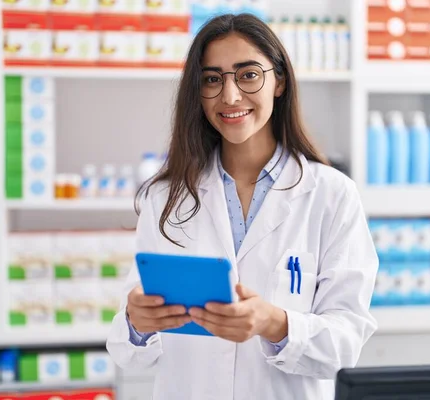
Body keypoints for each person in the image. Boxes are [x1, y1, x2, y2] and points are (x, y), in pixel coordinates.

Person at [106, 13, 378, 400]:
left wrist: (274, 323)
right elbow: (126, 352)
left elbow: (347, 342)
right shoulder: (165, 196)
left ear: (279, 81)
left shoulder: (331, 194)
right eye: (212, 79)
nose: (230, 96)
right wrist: (137, 323)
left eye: (248, 74)